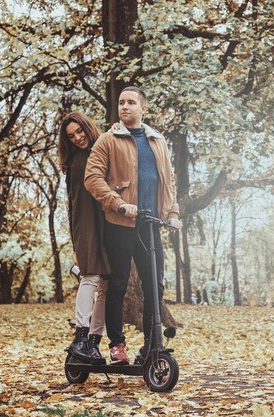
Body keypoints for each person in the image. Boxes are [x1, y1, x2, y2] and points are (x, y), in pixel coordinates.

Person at [84, 86, 181, 365]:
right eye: (121, 102)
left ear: (143, 109)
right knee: (117, 286)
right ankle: (117, 346)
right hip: (120, 223)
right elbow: (92, 178)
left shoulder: (157, 140)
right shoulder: (108, 140)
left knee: (155, 287)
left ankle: (152, 345)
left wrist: (172, 213)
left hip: (151, 226)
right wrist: (118, 203)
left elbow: (168, 181)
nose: (124, 107)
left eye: (130, 103)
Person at [59, 111, 111, 365]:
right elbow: (79, 202)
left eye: (79, 131)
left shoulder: (102, 149)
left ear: (87, 127)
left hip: (107, 224)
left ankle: (93, 342)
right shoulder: (79, 160)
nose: (78, 138)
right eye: (71, 136)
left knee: (106, 285)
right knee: (91, 275)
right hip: (88, 223)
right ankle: (80, 337)